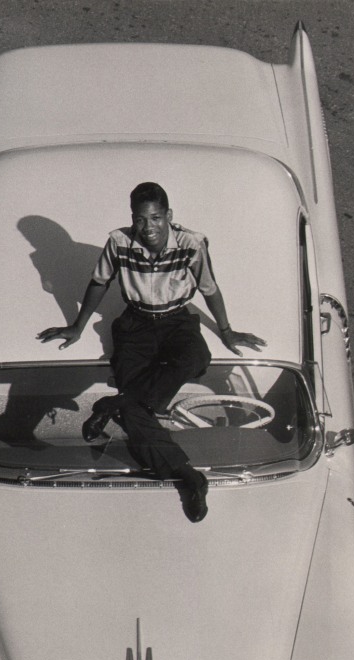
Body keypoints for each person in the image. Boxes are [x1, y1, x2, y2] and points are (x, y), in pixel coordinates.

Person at [37, 182, 266, 522]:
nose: (148, 228)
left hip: (177, 321)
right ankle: (189, 477)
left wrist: (228, 332)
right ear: (133, 219)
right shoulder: (118, 242)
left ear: (169, 216)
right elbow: (100, 282)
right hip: (136, 325)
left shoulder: (191, 243)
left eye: (156, 218)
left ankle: (114, 403)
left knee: (197, 358)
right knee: (136, 415)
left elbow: (209, 288)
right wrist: (77, 326)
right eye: (140, 220)